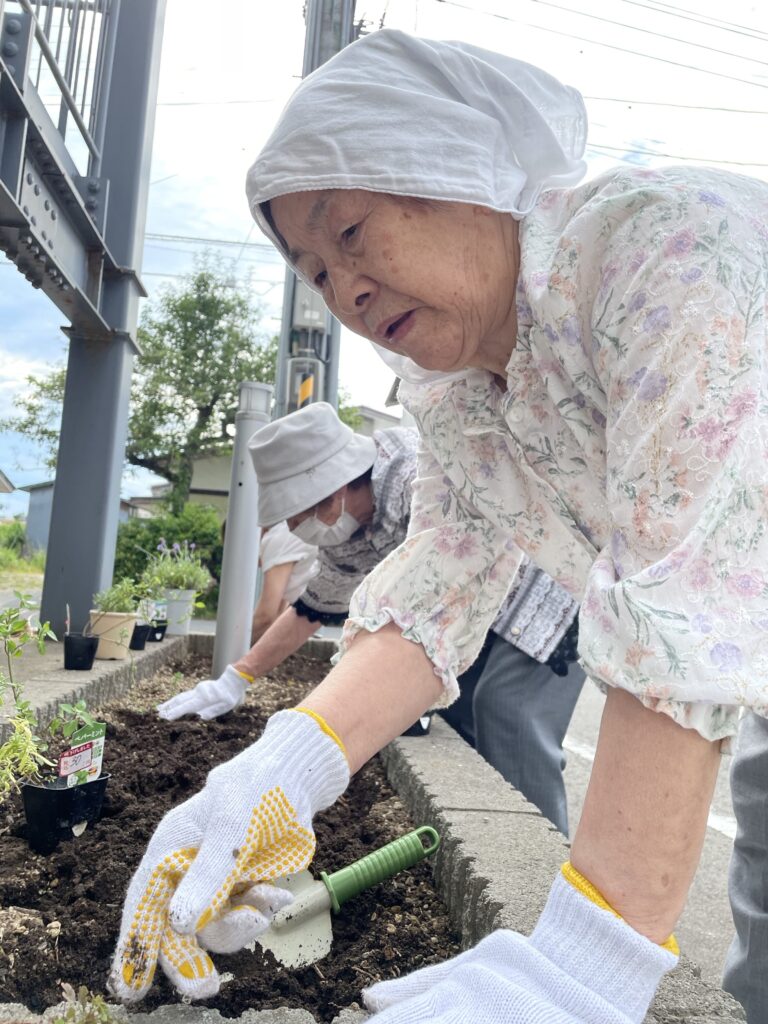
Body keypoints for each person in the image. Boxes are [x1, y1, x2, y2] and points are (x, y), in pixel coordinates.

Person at [108, 29, 768, 1022]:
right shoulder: (458, 389)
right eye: (316, 272)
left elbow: (683, 597)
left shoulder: (663, 254)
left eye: (351, 231)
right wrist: (275, 771)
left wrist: (578, 968)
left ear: (452, 170)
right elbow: (439, 588)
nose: (346, 290)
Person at [159, 399, 585, 835]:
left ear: (334, 492)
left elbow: (419, 606)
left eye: (300, 514)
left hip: (545, 585)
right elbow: (312, 607)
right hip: (476, 609)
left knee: (508, 710)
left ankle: (543, 850)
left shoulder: (412, 480)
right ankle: (493, 833)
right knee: (460, 716)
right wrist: (238, 676)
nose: (296, 527)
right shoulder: (348, 531)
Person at [250, 521, 318, 643]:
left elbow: (265, 616)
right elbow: (277, 617)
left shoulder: (278, 539)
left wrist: (231, 648)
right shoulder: (285, 533)